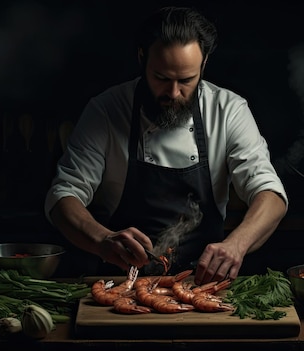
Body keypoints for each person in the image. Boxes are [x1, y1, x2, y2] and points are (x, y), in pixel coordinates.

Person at [45, 6, 288, 284]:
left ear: (204, 63)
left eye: (186, 80)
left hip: (204, 282)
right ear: (141, 57)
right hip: (120, 280)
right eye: (161, 78)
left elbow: (270, 194)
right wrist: (103, 239)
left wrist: (237, 244)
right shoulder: (107, 111)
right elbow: (63, 195)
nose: (173, 93)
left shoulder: (228, 110)